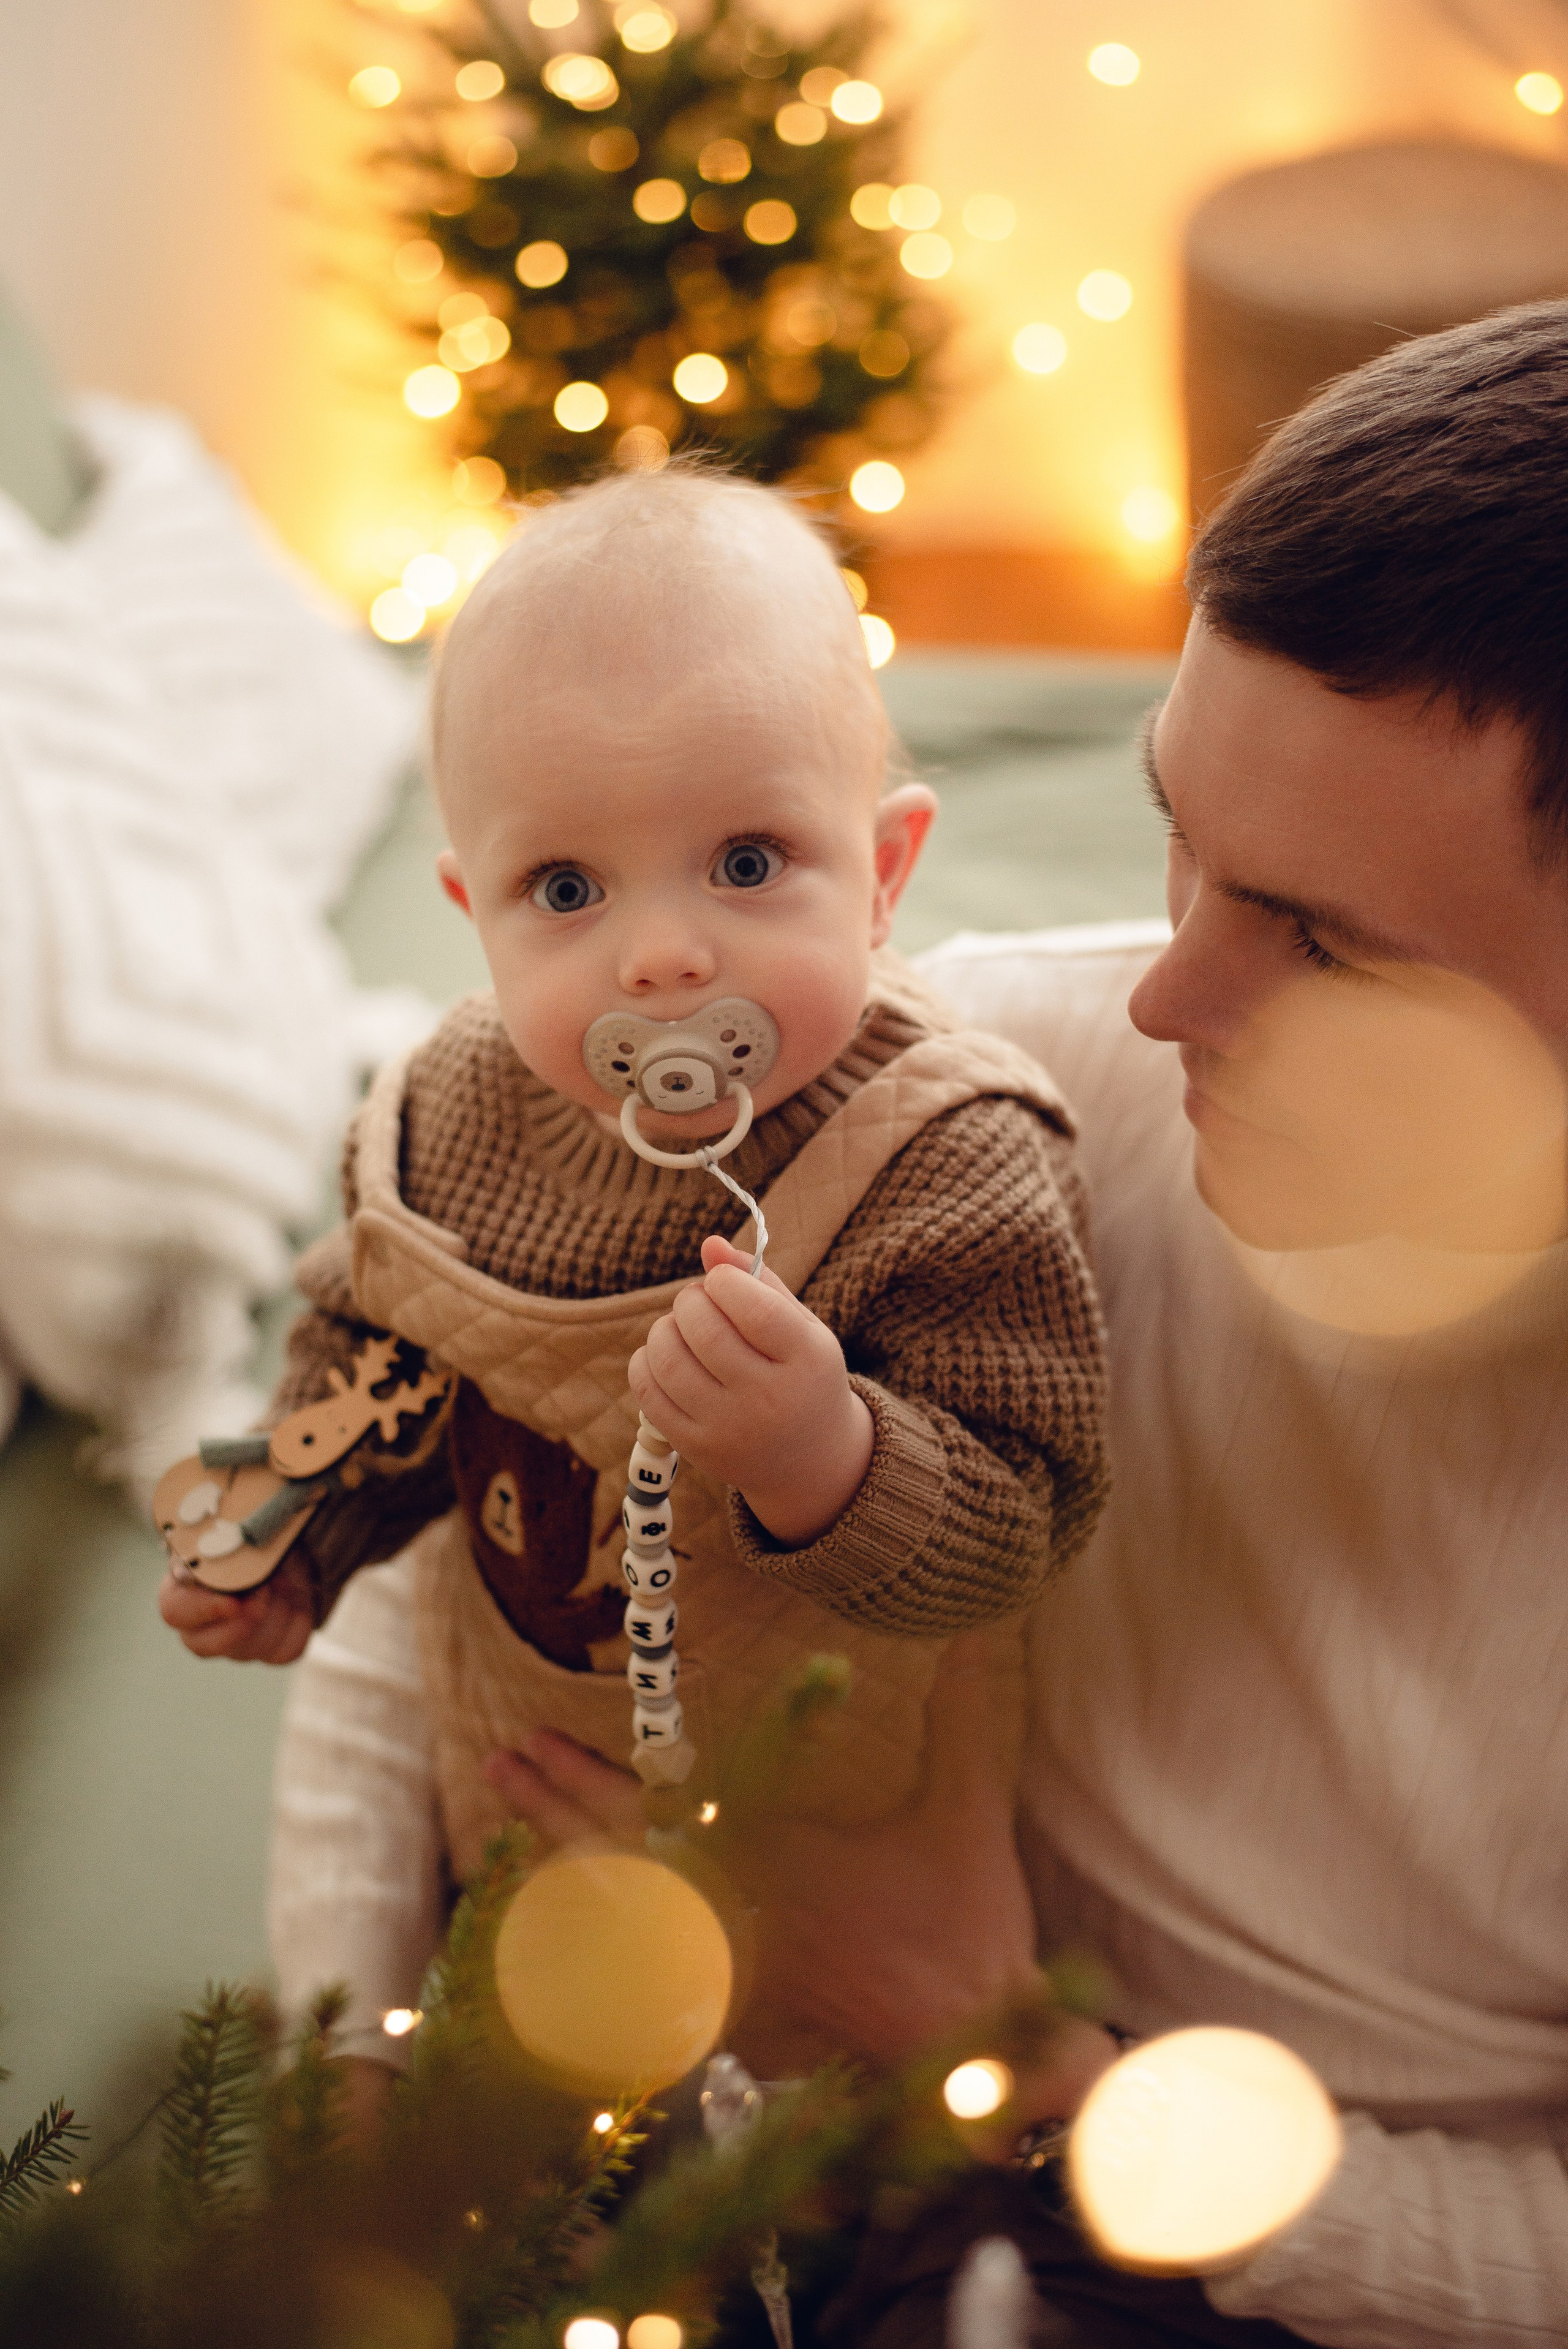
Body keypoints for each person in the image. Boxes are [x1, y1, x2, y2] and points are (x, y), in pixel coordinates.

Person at [484, 300, 1568, 2344]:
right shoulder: (1010, 1081)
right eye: (1184, 832)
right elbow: (495, 1413)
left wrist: (1026, 2067)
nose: (1167, 996)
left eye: (1319, 937)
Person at [157, 461, 1109, 2062]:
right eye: (569, 888)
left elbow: (1025, 1520)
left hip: (832, 1861)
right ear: (475, 912)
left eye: (747, 861)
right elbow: (377, 1363)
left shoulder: (943, 1155)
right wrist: (295, 1538)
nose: (661, 952)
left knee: (824, 2227)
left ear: (882, 872)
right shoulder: (449, 1111)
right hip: (520, 1813)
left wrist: (828, 1449)